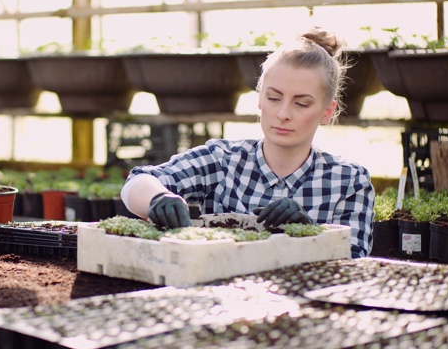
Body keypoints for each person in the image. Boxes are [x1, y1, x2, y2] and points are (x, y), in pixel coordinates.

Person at [120, 26, 375, 259]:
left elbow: (354, 262)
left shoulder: (348, 181)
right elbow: (137, 181)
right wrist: (159, 198)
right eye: (274, 98)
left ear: (327, 111)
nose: (283, 113)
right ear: (260, 99)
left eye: (301, 103)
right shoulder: (224, 161)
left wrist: (310, 234)